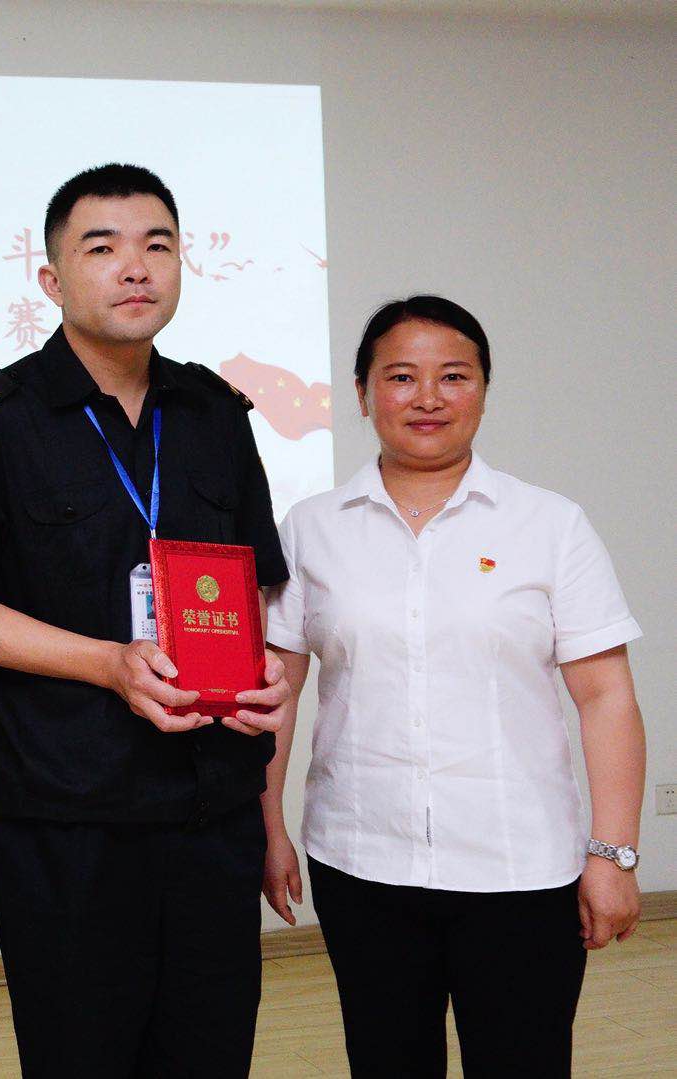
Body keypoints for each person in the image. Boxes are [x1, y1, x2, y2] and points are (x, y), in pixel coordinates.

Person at [0, 163, 290, 1077]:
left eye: (157, 245)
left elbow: (254, 586)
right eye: (103, 247)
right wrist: (106, 663)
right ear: (51, 279)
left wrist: (263, 669)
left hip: (211, 810)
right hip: (68, 820)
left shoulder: (213, 412)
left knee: (209, 1056)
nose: (135, 267)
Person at [262, 295, 646, 1077]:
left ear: (483, 389)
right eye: (400, 376)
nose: (428, 397)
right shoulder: (311, 527)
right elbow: (276, 690)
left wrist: (612, 854)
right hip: (360, 859)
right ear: (363, 392)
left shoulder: (549, 524)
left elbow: (605, 696)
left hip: (519, 867)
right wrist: (266, 824)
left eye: (454, 376)